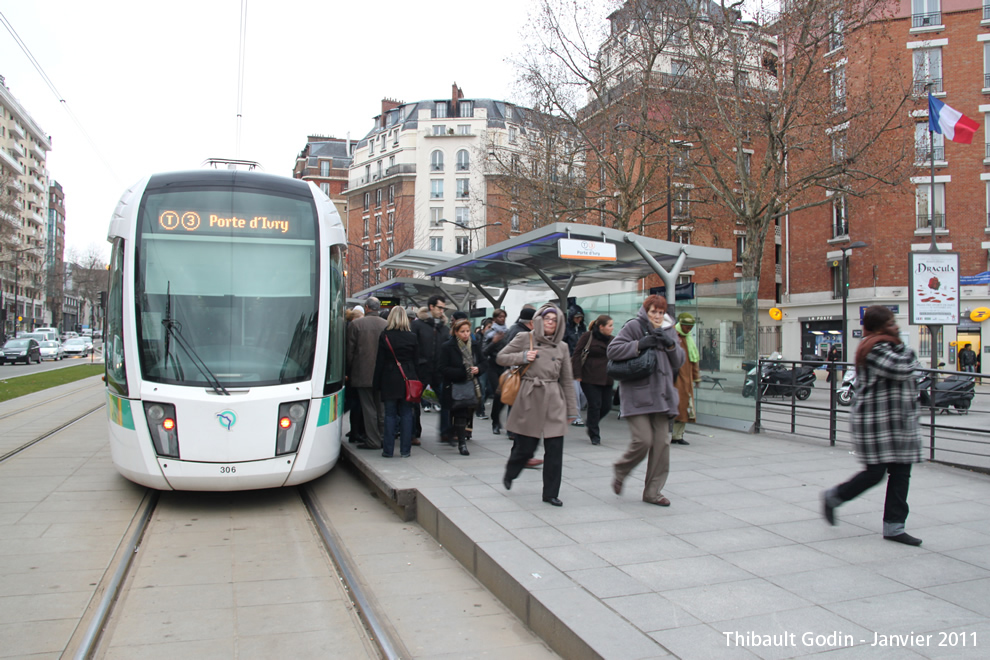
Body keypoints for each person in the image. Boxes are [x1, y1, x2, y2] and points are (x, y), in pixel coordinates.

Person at [822, 306, 924, 545]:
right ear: (879, 327)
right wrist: (909, 352)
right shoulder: (874, 348)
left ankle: (894, 527)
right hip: (876, 423)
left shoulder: (889, 347)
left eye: (894, 322)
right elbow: (904, 369)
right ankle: (834, 496)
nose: (896, 326)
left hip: (898, 422)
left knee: (901, 473)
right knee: (875, 473)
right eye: (890, 323)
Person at [607, 295, 685, 506]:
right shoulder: (635, 326)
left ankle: (653, 492)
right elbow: (612, 350)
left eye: (661, 312)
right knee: (643, 440)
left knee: (662, 444)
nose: (658, 316)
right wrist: (639, 344)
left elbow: (679, 360)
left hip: (662, 397)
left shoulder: (669, 329)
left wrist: (670, 345)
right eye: (653, 312)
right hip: (637, 395)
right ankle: (621, 469)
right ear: (646, 311)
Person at [498, 304, 577, 506]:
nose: (550, 322)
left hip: (554, 399)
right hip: (529, 395)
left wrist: (572, 409)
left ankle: (550, 493)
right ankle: (511, 471)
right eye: (547, 318)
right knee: (526, 447)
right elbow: (501, 357)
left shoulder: (563, 346)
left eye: (555, 319)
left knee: (555, 449)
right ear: (539, 320)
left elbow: (567, 380)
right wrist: (523, 357)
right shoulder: (526, 338)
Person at [373, 306, 419, 458]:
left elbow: (379, 361)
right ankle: (405, 450)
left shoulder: (385, 335)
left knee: (390, 414)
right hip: (407, 378)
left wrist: (376, 383)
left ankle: (388, 450)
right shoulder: (412, 336)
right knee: (406, 413)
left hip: (389, 377)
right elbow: (416, 360)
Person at [439, 318, 487, 456]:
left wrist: (478, 369)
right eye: (462, 331)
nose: (466, 334)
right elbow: (442, 368)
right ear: (455, 332)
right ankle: (458, 439)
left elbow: (484, 362)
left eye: (467, 331)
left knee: (464, 413)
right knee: (456, 412)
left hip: (471, 385)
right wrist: (462, 372)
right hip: (454, 385)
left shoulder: (475, 345)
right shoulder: (448, 346)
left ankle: (460, 438)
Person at [346, 297, 388, 449]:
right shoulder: (387, 324)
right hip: (383, 374)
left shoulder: (356, 324)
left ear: (367, 307)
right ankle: (384, 437)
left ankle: (373, 440)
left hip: (362, 373)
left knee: (368, 408)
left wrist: (350, 370)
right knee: (381, 407)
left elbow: (349, 352)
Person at [484, 307, 532, 436]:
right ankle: (496, 422)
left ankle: (507, 425)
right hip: (494, 365)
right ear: (494, 319)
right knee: (499, 394)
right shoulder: (491, 333)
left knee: (508, 395)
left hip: (505, 367)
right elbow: (484, 351)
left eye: (504, 316)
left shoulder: (508, 330)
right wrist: (494, 342)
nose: (502, 319)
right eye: (499, 317)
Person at [411, 296, 451, 443]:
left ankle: (445, 432)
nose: (442, 311)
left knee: (446, 401)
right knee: (414, 403)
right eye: (440, 308)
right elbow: (412, 347)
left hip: (439, 371)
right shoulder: (418, 326)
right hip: (421, 370)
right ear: (431, 307)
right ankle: (413, 433)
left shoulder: (444, 328)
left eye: (443, 309)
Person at [571, 314, 614, 445]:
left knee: (606, 406)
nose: (612, 328)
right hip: (589, 376)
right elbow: (577, 354)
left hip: (607, 377)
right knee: (595, 405)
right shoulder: (588, 337)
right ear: (601, 327)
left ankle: (591, 423)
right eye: (610, 325)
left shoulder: (612, 339)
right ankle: (594, 434)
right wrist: (577, 374)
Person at [671, 312, 702, 446]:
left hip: (686, 380)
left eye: (690, 328)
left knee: (685, 408)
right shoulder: (673, 336)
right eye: (686, 327)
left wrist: (696, 378)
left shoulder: (688, 339)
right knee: (675, 408)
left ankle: (677, 435)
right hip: (674, 379)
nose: (688, 330)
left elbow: (693, 360)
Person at [344, 306, 366, 444]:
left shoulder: (346, 328)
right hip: (354, 373)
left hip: (351, 373)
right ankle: (356, 432)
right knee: (356, 404)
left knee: (354, 404)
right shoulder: (351, 329)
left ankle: (354, 431)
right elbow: (350, 353)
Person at [564, 305, 588, 427]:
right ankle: (575, 416)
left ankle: (574, 412)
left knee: (584, 392)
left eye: (580, 317)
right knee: (575, 391)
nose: (578, 319)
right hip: (571, 362)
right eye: (576, 317)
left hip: (582, 363)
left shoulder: (583, 329)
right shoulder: (567, 329)